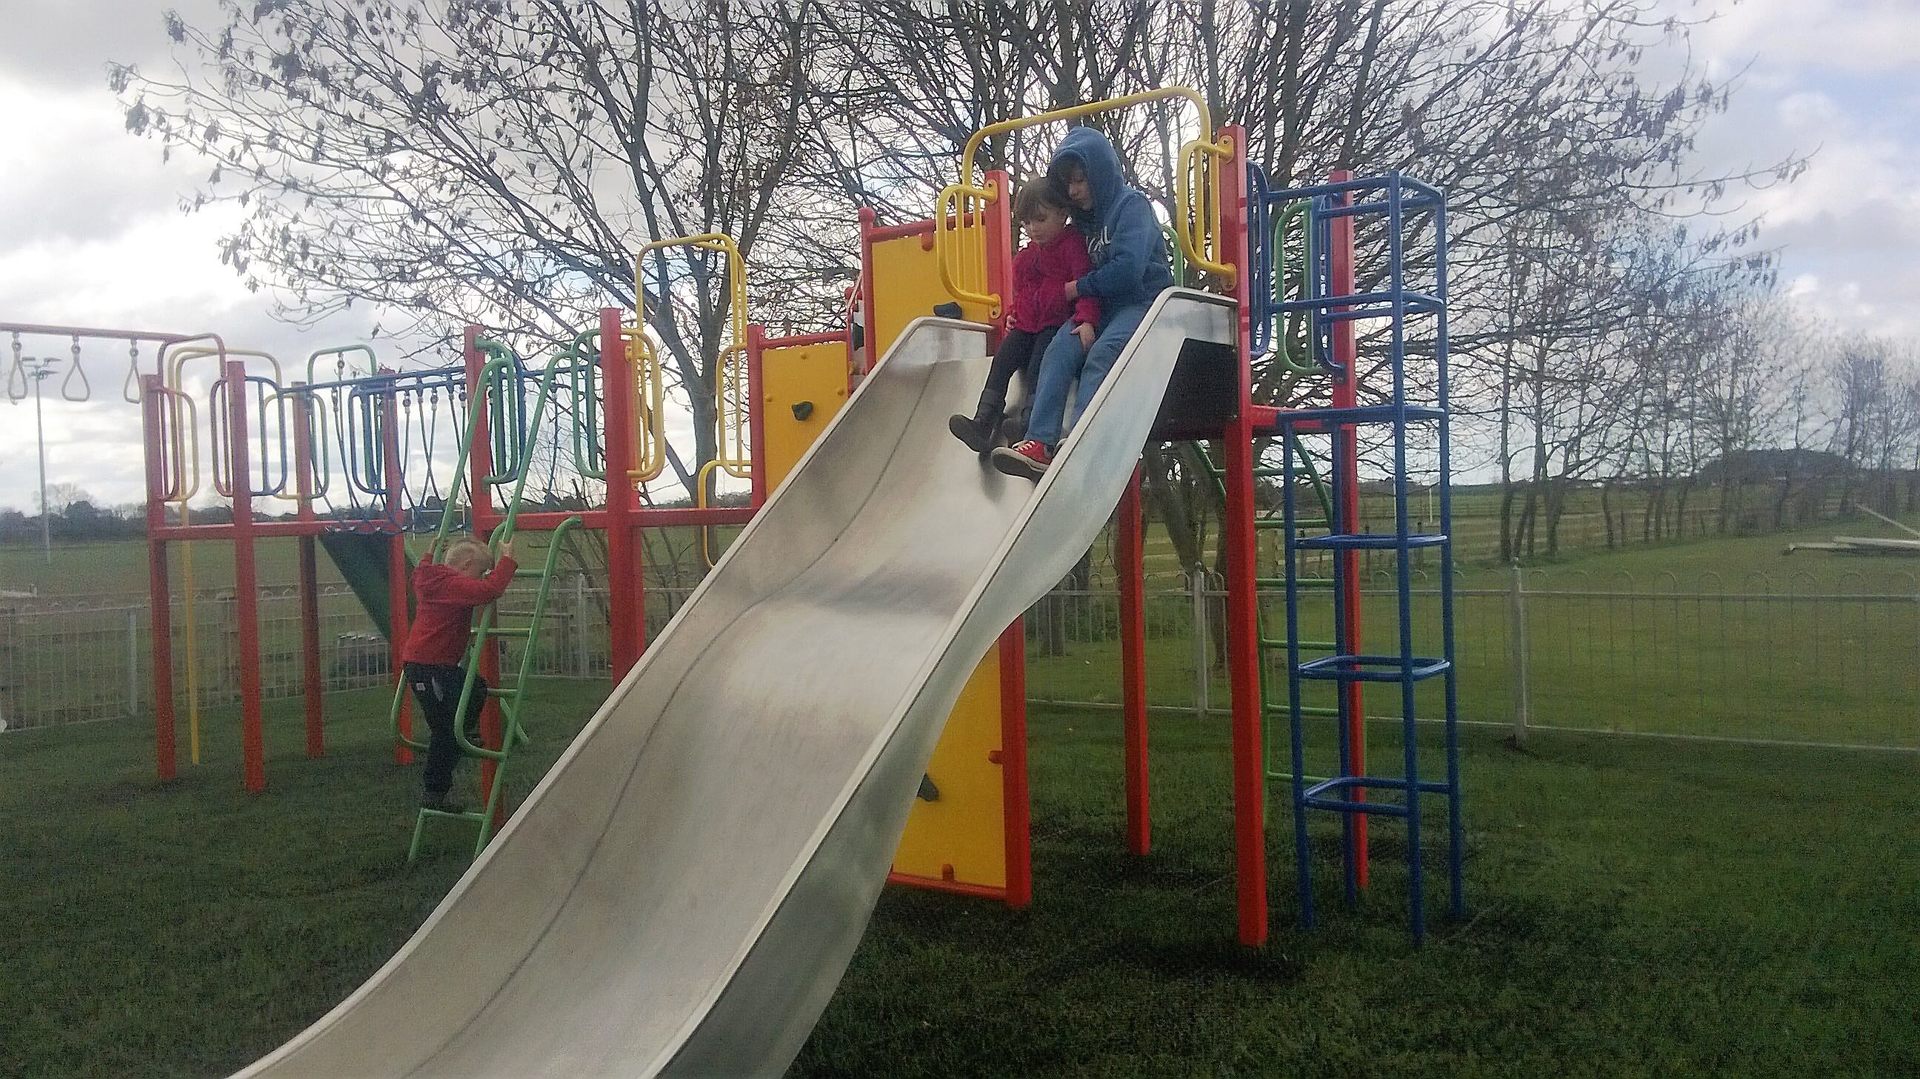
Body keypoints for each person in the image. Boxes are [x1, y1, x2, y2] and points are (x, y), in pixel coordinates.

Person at [991, 127, 1174, 480]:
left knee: (1102, 356)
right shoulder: (1079, 225)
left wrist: (1077, 289)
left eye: (1081, 180)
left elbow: (1128, 270)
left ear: (1100, 174)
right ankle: (1040, 442)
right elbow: (1044, 277)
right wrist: (1020, 313)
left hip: (1141, 303)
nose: (1074, 190)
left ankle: (1080, 440)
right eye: (1068, 184)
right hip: (1098, 308)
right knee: (1058, 351)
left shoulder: (1131, 206)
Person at [948, 181, 1100, 452]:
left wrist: (1087, 319)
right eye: (1027, 223)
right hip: (1027, 325)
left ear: (1062, 213)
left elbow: (1086, 285)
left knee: (1038, 365)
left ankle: (1029, 424)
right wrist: (1010, 315)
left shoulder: (1071, 245)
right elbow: (1020, 296)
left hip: (1055, 323)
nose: (1033, 229)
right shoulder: (1025, 258)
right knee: (1003, 359)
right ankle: (984, 421)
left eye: (1040, 220)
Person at [401, 535, 516, 813]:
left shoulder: (431, 577)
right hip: (430, 666)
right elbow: (489, 590)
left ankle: (464, 733)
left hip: (433, 665)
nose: (479, 578)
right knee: (445, 731)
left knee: (475, 687)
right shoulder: (452, 584)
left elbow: (420, 571)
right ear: (465, 565)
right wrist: (507, 561)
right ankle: (434, 790)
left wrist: (428, 554)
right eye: (478, 572)